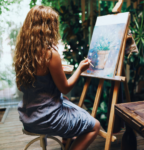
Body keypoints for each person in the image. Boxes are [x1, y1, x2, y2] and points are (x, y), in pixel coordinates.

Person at [14, 5, 100, 150]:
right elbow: (65, 88)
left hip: (28, 116)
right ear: (48, 28)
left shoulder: (22, 53)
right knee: (95, 126)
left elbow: (22, 86)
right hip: (46, 118)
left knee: (64, 101)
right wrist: (79, 68)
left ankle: (67, 141)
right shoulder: (50, 54)